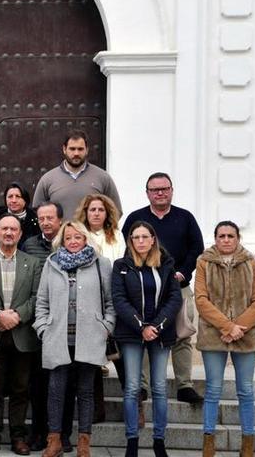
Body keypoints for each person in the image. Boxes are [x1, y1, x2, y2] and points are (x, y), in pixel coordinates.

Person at [33, 220, 115, 457]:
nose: (73, 242)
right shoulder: (52, 263)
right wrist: (42, 328)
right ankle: (55, 440)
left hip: (90, 338)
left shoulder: (101, 264)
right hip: (57, 338)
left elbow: (110, 302)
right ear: (62, 240)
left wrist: (106, 326)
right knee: (56, 390)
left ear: (86, 238)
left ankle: (83, 443)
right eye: (68, 238)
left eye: (77, 237)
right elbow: (42, 301)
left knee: (86, 391)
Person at [121, 172, 205, 405]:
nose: (160, 193)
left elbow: (196, 247)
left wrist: (184, 272)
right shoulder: (135, 218)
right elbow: (128, 249)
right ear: (147, 192)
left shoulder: (184, 217)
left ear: (171, 190)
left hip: (178, 285)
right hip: (145, 287)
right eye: (154, 189)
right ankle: (143, 387)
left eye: (164, 188)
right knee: (145, 334)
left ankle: (184, 385)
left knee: (183, 334)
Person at [111, 221, 182, 457]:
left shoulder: (166, 264)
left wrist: (157, 326)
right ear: (130, 241)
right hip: (132, 333)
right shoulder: (121, 266)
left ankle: (159, 441)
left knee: (159, 387)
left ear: (153, 239)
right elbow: (119, 300)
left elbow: (174, 299)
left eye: (145, 237)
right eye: (135, 237)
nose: (140, 241)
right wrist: (141, 327)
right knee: (132, 387)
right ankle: (132, 442)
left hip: (160, 333)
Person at [194, 221, 255, 457]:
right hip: (214, 334)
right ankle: (209, 446)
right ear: (215, 238)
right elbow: (201, 300)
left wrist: (238, 328)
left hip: (246, 333)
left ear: (238, 238)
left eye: (230, 236)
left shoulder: (250, 262)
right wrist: (227, 326)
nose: (226, 240)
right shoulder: (204, 262)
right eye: (221, 236)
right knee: (213, 390)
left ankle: (248, 447)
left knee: (245, 390)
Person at [0, 215, 43, 456]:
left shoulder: (33, 262)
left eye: (13, 229)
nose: (8, 233)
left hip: (22, 334)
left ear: (20, 234)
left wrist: (16, 316)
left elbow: (38, 296)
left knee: (21, 389)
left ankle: (18, 436)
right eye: (4, 228)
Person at [73, 193, 124, 423]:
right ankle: (96, 410)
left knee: (119, 356)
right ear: (86, 212)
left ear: (107, 214)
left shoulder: (117, 237)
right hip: (89, 302)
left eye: (100, 210)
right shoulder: (79, 235)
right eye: (92, 209)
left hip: (114, 299)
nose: (96, 213)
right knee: (91, 359)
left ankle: (136, 404)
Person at [21, 201, 63, 452]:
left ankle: (61, 434)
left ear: (60, 219)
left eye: (50, 218)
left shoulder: (70, 241)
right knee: (37, 384)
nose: (46, 222)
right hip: (38, 325)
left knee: (62, 384)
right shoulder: (30, 245)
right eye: (42, 218)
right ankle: (38, 432)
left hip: (65, 324)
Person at [32, 129, 122, 219]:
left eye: (80, 149)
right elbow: (37, 212)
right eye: (72, 149)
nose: (76, 153)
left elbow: (116, 211)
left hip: (91, 233)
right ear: (64, 149)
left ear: (87, 150)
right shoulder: (47, 179)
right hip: (60, 233)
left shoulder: (103, 177)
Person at [0, 182, 41, 251]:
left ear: (25, 200)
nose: (14, 200)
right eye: (10, 196)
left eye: (18, 196)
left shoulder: (35, 221)